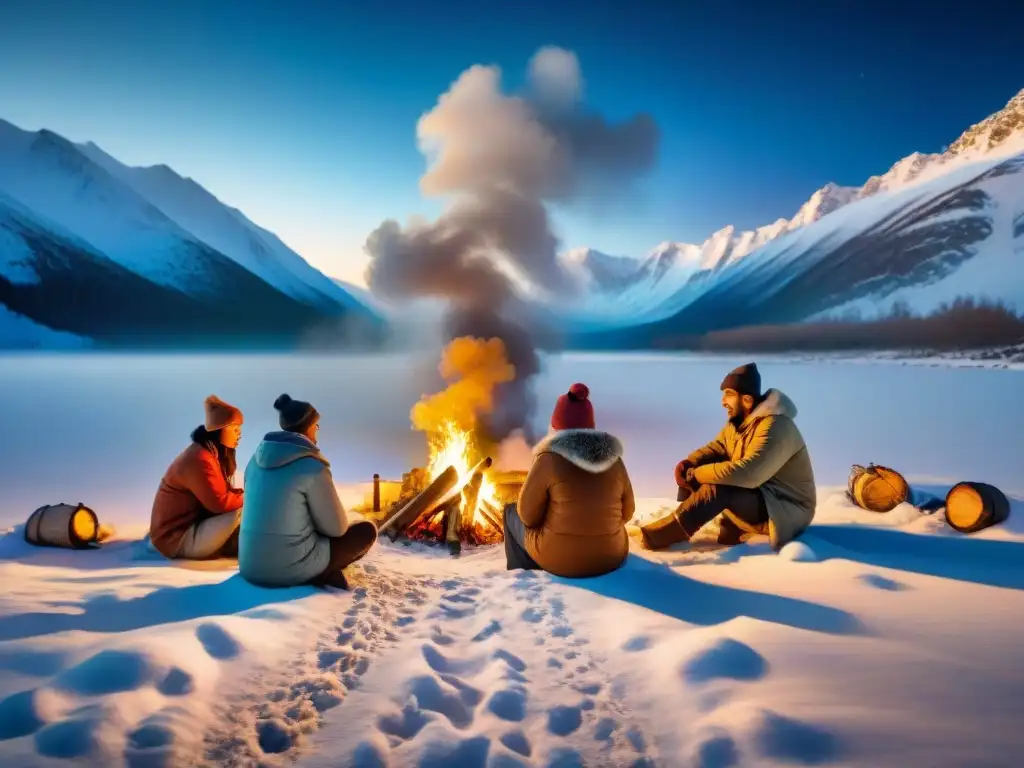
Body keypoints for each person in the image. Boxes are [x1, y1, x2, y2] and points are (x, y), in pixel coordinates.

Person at [633, 363, 815, 551]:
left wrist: (697, 474)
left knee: (719, 487)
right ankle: (729, 524)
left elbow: (749, 474)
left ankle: (664, 535)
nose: (723, 401)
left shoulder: (776, 426)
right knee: (709, 470)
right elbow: (719, 447)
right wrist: (690, 463)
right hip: (762, 497)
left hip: (785, 509)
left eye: (728, 394)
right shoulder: (739, 422)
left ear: (746, 400)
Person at [238, 393, 377, 589]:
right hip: (288, 570)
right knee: (365, 530)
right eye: (316, 426)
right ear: (308, 427)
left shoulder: (253, 462)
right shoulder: (313, 467)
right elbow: (336, 529)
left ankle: (316, 570)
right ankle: (321, 575)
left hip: (250, 567)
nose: (317, 431)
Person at [504, 383, 635, 578]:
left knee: (511, 512)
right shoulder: (613, 459)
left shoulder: (548, 458)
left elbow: (527, 515)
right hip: (611, 557)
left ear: (556, 424)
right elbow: (628, 512)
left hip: (560, 561)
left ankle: (526, 571)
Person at [149, 395, 245, 560]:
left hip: (188, 530)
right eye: (235, 429)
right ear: (219, 430)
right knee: (243, 508)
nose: (239, 435)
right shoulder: (200, 458)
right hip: (176, 540)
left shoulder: (209, 453)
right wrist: (251, 495)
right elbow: (219, 503)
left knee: (245, 513)